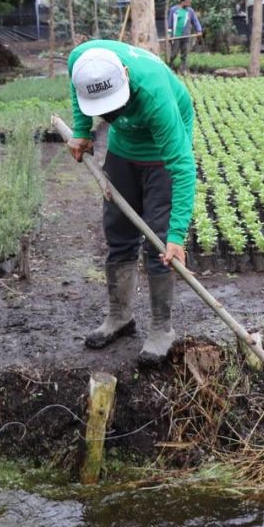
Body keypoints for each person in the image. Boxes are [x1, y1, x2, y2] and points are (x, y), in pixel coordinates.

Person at [67, 40, 195, 367]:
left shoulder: (154, 96)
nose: (111, 114)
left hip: (159, 152)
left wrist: (177, 235)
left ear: (124, 76)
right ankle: (120, 317)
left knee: (158, 239)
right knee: (118, 230)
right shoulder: (80, 61)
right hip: (123, 149)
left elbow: (182, 167)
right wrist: (82, 131)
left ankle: (162, 329)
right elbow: (75, 91)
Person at [167, 0, 203, 74]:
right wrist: (169, 35)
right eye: (187, 2)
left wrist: (199, 30)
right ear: (182, 2)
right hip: (176, 36)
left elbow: (195, 21)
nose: (188, 4)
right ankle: (169, 67)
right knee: (174, 53)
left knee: (184, 54)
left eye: (189, 2)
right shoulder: (174, 10)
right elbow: (169, 23)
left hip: (186, 36)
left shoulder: (190, 11)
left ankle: (183, 69)